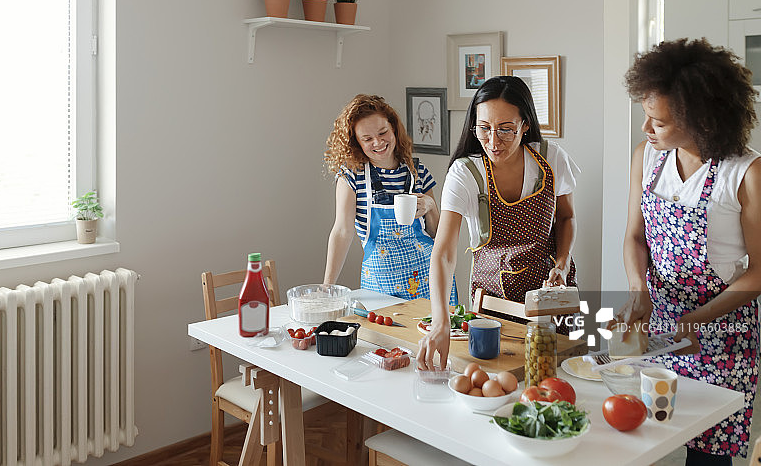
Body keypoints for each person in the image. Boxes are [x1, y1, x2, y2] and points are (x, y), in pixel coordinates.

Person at [616, 38, 760, 465]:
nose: (646, 129)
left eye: (658, 122)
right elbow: (635, 237)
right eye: (646, 115)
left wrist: (695, 320)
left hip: (721, 331)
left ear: (701, 120)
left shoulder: (745, 173)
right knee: (641, 439)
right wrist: (638, 290)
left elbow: (760, 270)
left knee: (707, 454)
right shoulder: (647, 158)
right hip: (657, 324)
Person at [417, 76, 580, 370]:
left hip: (550, 295)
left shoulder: (551, 158)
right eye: (484, 128)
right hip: (493, 304)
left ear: (525, 124)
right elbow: (444, 253)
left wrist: (563, 263)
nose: (493, 141)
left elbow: (566, 216)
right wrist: (440, 321)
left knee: (559, 374)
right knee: (497, 376)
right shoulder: (465, 174)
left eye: (505, 129)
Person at [323, 94, 458, 303]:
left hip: (428, 279)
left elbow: (438, 235)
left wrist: (431, 206)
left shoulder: (418, 171)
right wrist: (328, 286)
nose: (378, 142)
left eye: (383, 132)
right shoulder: (352, 176)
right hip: (380, 286)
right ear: (356, 142)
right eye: (367, 139)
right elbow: (342, 231)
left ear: (393, 128)